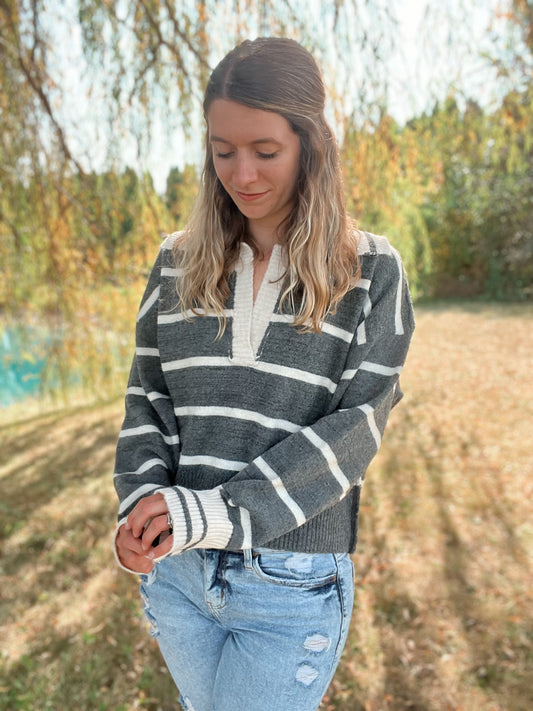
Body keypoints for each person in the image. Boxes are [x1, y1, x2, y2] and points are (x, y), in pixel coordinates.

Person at [113, 37, 415, 711]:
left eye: (265, 151)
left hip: (292, 580)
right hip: (179, 577)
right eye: (223, 151)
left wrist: (211, 512)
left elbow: (356, 427)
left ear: (310, 144)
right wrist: (139, 510)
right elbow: (148, 402)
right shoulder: (175, 263)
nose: (241, 173)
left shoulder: (370, 271)